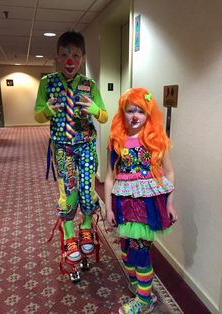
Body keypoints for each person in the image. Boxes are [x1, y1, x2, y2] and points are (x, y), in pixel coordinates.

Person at [34, 31, 108, 268]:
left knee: (87, 187)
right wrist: (47, 109)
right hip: (63, 147)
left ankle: (85, 226)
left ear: (83, 58)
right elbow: (37, 116)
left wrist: (95, 109)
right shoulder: (47, 83)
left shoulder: (90, 85)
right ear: (57, 56)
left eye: (75, 55)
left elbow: (105, 116)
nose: (70, 61)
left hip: (86, 145)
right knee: (69, 189)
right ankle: (68, 232)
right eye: (65, 55)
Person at [104, 88, 178, 314]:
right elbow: (109, 177)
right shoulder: (117, 139)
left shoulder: (156, 140)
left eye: (141, 111)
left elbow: (169, 173)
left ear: (149, 114)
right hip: (123, 203)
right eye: (130, 110)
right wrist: (108, 209)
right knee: (126, 250)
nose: (135, 116)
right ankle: (141, 289)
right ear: (122, 112)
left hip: (146, 208)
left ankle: (144, 300)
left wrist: (169, 203)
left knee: (140, 251)